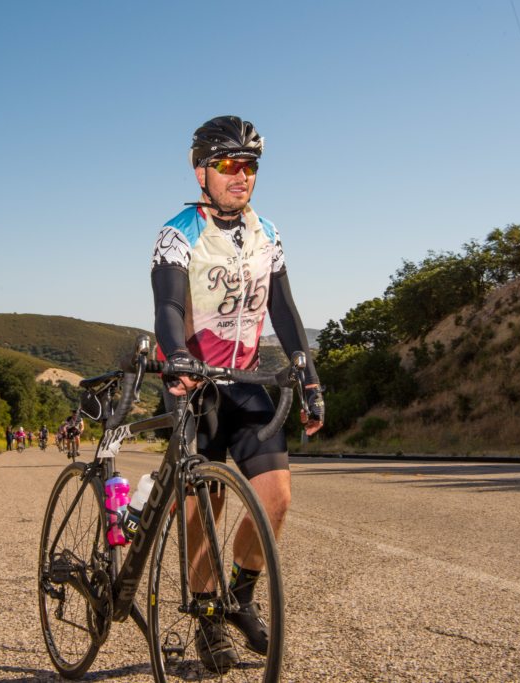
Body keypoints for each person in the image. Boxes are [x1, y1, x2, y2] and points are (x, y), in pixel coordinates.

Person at [150, 115, 324, 670]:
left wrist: (310, 375)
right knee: (207, 502)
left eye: (249, 165)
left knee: (276, 496)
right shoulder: (178, 233)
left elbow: (284, 309)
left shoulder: (268, 232)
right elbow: (169, 306)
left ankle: (240, 597)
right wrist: (177, 353)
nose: (240, 175)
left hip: (245, 383)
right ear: (200, 169)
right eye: (228, 165)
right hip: (191, 386)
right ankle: (204, 613)